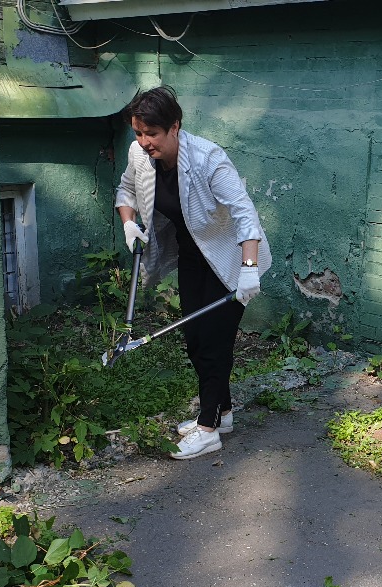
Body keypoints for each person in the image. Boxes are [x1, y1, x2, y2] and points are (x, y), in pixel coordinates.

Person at [115, 86, 271, 460]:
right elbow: (125, 191)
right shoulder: (141, 155)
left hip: (231, 259)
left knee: (215, 343)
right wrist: (129, 224)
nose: (144, 141)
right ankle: (224, 413)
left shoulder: (207, 158)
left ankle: (208, 429)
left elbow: (244, 214)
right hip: (192, 255)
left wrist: (249, 270)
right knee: (196, 340)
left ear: (175, 127)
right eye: (138, 133)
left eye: (152, 133)